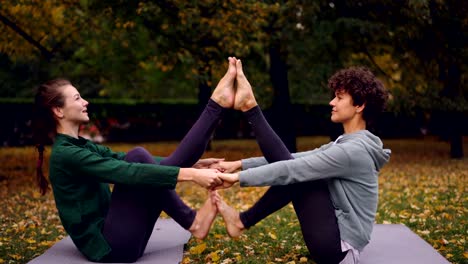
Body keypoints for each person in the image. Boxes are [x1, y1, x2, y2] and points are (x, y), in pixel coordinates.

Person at [32, 57, 239, 263]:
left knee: (138, 156)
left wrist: (193, 165)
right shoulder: (66, 154)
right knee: (138, 159)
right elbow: (124, 171)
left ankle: (216, 106)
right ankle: (193, 222)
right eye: (77, 98)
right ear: (58, 111)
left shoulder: (80, 145)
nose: (85, 102)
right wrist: (192, 175)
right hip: (111, 248)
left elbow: (123, 160)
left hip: (123, 237)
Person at [212, 61, 391, 264]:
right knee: (300, 170)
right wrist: (240, 164)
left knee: (300, 174)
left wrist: (237, 178)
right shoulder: (347, 143)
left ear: (359, 105)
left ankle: (251, 108)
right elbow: (299, 159)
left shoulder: (353, 151)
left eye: (339, 98)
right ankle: (241, 221)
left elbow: (295, 167)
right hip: (333, 237)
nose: (332, 102)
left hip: (338, 249)